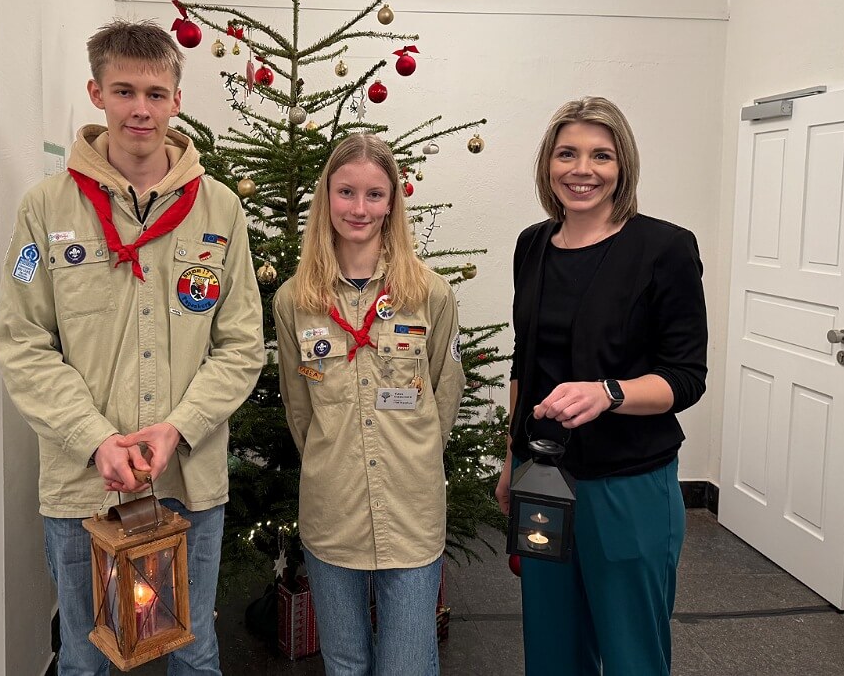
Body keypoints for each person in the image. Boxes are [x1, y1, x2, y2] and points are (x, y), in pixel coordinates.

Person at [0, 19, 264, 676]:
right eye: (123, 90)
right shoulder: (46, 209)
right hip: (84, 483)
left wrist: (178, 427)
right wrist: (95, 438)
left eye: (154, 92)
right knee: (85, 657)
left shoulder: (220, 209)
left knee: (194, 653)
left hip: (187, 479)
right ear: (96, 92)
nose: (140, 108)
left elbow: (241, 343)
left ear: (176, 100)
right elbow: (22, 341)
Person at [495, 96, 708, 675]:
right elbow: (526, 362)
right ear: (548, 164)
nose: (581, 169)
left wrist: (608, 392)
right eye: (567, 153)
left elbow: (686, 377)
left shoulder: (664, 247)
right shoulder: (532, 245)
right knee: (551, 647)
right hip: (545, 480)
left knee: (632, 652)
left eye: (600, 155)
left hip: (629, 487)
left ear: (623, 167)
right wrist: (511, 460)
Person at [272, 133, 466, 676]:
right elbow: (299, 408)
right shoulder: (295, 299)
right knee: (345, 662)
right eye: (347, 192)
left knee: (407, 663)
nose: (359, 209)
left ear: (392, 203)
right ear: (326, 197)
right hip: (333, 510)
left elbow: (443, 391)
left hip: (411, 508)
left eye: (375, 195)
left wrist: (415, 451)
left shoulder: (429, 293)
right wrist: (334, 459)